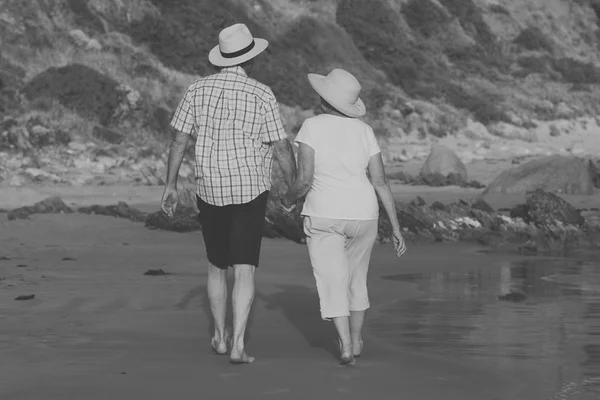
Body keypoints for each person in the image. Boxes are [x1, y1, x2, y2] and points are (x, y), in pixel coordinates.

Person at [161, 23, 296, 364]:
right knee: (245, 269)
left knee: (216, 266)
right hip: (250, 188)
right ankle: (238, 345)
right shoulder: (262, 93)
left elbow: (179, 139)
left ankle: (220, 337)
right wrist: (294, 189)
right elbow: (280, 146)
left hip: (210, 188)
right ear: (250, 59)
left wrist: (170, 184)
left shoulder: (196, 90)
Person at [281, 68, 406, 365]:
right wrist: (397, 227)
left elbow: (305, 179)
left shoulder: (311, 126)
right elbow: (380, 182)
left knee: (332, 280)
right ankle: (358, 338)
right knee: (356, 279)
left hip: (324, 213)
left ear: (324, 99)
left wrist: (287, 201)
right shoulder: (365, 131)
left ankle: (345, 343)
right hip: (364, 214)